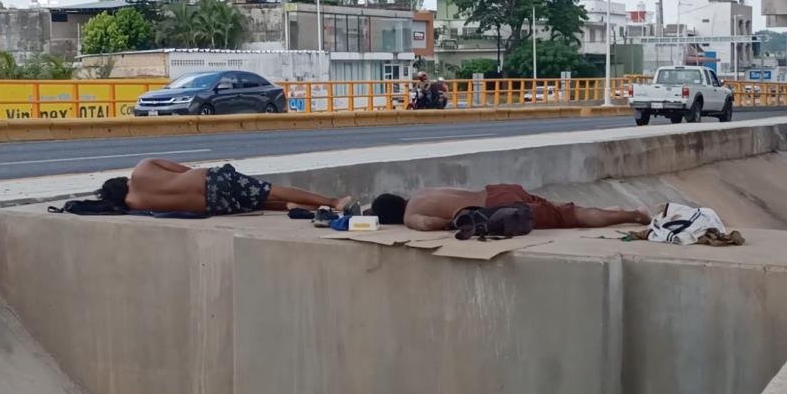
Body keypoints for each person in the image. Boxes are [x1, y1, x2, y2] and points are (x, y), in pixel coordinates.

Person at [96, 158, 352, 216]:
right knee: (270, 190)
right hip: (210, 181)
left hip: (213, 206)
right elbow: (185, 171)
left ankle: (293, 207)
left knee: (259, 201)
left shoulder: (134, 205)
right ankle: (332, 202)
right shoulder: (143, 168)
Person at [370, 185, 651, 232]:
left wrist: (447, 224)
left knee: (571, 218)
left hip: (499, 208)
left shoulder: (410, 216)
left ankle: (633, 215)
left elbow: (426, 225)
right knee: (561, 210)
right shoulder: (421, 193)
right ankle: (613, 210)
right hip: (495, 190)